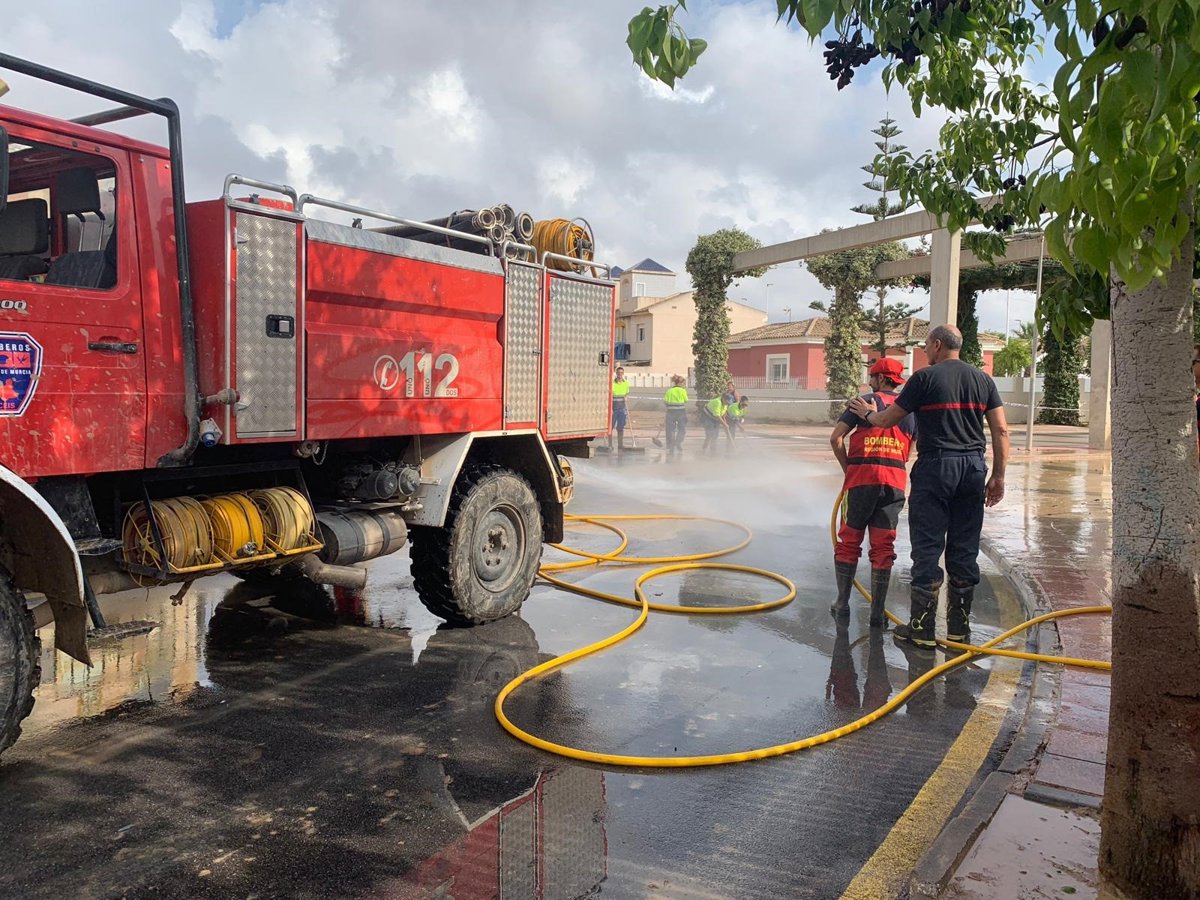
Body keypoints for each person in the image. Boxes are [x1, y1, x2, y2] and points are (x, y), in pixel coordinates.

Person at [849, 325, 1010, 647]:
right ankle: (959, 630)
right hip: (972, 469)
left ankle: (922, 630)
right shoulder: (984, 380)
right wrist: (998, 476)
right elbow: (1001, 431)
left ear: (937, 345)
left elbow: (887, 420)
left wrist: (867, 414)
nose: (924, 352)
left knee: (927, 545)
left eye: (925, 346)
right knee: (965, 546)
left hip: (936, 467)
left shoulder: (924, 378)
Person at [830, 357, 915, 627]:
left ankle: (842, 604)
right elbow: (909, 451)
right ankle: (877, 614)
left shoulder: (862, 402)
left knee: (849, 542)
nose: (869, 381)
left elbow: (836, 438)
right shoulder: (909, 410)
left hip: (860, 481)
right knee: (883, 547)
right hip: (893, 483)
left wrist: (849, 469)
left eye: (872, 377)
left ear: (879, 378)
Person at [663, 375, 689, 457]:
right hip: (681, 412)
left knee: (670, 430)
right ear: (680, 383)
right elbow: (686, 400)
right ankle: (678, 442)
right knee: (682, 429)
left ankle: (670, 445)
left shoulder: (669, 391)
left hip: (671, 412)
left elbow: (665, 401)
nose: (684, 385)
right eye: (683, 383)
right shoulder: (683, 391)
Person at [609, 366, 630, 452]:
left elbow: (627, 393)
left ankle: (620, 445)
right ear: (616, 373)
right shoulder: (612, 383)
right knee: (610, 427)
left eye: (621, 373)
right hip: (614, 408)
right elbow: (609, 395)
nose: (620, 374)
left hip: (622, 408)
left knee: (621, 427)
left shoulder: (626, 383)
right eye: (618, 373)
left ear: (623, 373)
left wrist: (626, 397)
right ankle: (610, 445)